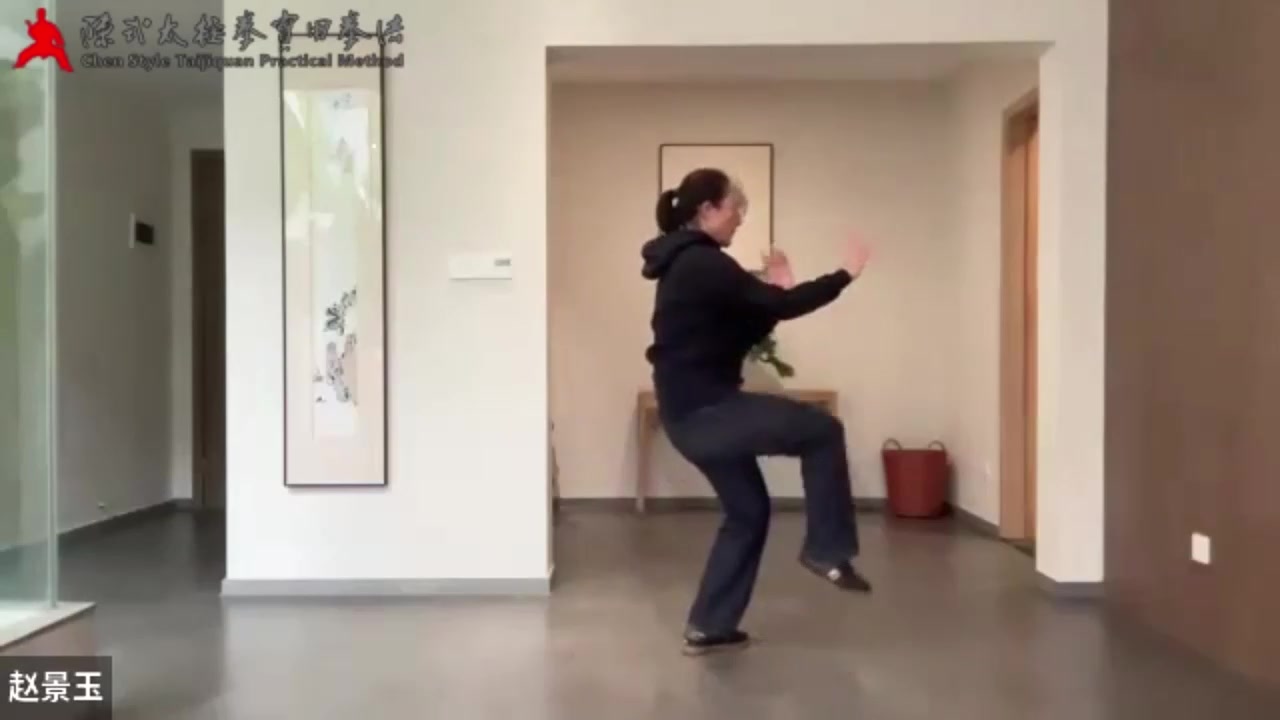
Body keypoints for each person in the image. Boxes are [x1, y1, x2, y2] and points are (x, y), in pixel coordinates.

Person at [640, 167, 873, 657]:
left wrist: (778, 293)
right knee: (822, 431)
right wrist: (844, 275)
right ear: (707, 210)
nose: (740, 219)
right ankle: (826, 550)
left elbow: (740, 329)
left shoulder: (687, 264)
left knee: (748, 511)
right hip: (708, 412)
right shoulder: (702, 262)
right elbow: (779, 306)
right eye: (735, 208)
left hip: (693, 415)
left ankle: (709, 627)